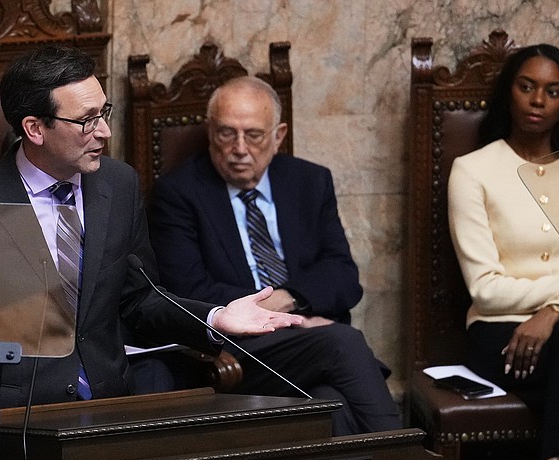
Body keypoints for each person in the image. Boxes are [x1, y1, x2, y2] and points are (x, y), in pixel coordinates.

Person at [0, 46, 303, 415]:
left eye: (103, 112)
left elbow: (140, 299)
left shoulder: (118, 185)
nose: (104, 132)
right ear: (35, 128)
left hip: (110, 403)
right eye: (86, 121)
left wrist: (215, 318)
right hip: (16, 416)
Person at [147, 76, 401, 436]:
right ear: (209, 132)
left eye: (253, 135)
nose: (239, 148)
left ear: (278, 135)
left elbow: (343, 276)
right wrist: (276, 318)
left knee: (333, 405)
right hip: (236, 348)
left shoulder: (309, 182)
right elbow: (186, 290)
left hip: (308, 342)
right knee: (343, 341)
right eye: (226, 134)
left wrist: (289, 303)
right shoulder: (179, 193)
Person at [448, 43, 559, 460]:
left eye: (553, 91)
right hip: (502, 339)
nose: (538, 101)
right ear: (510, 92)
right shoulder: (472, 171)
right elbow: (485, 290)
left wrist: (555, 311)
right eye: (527, 87)